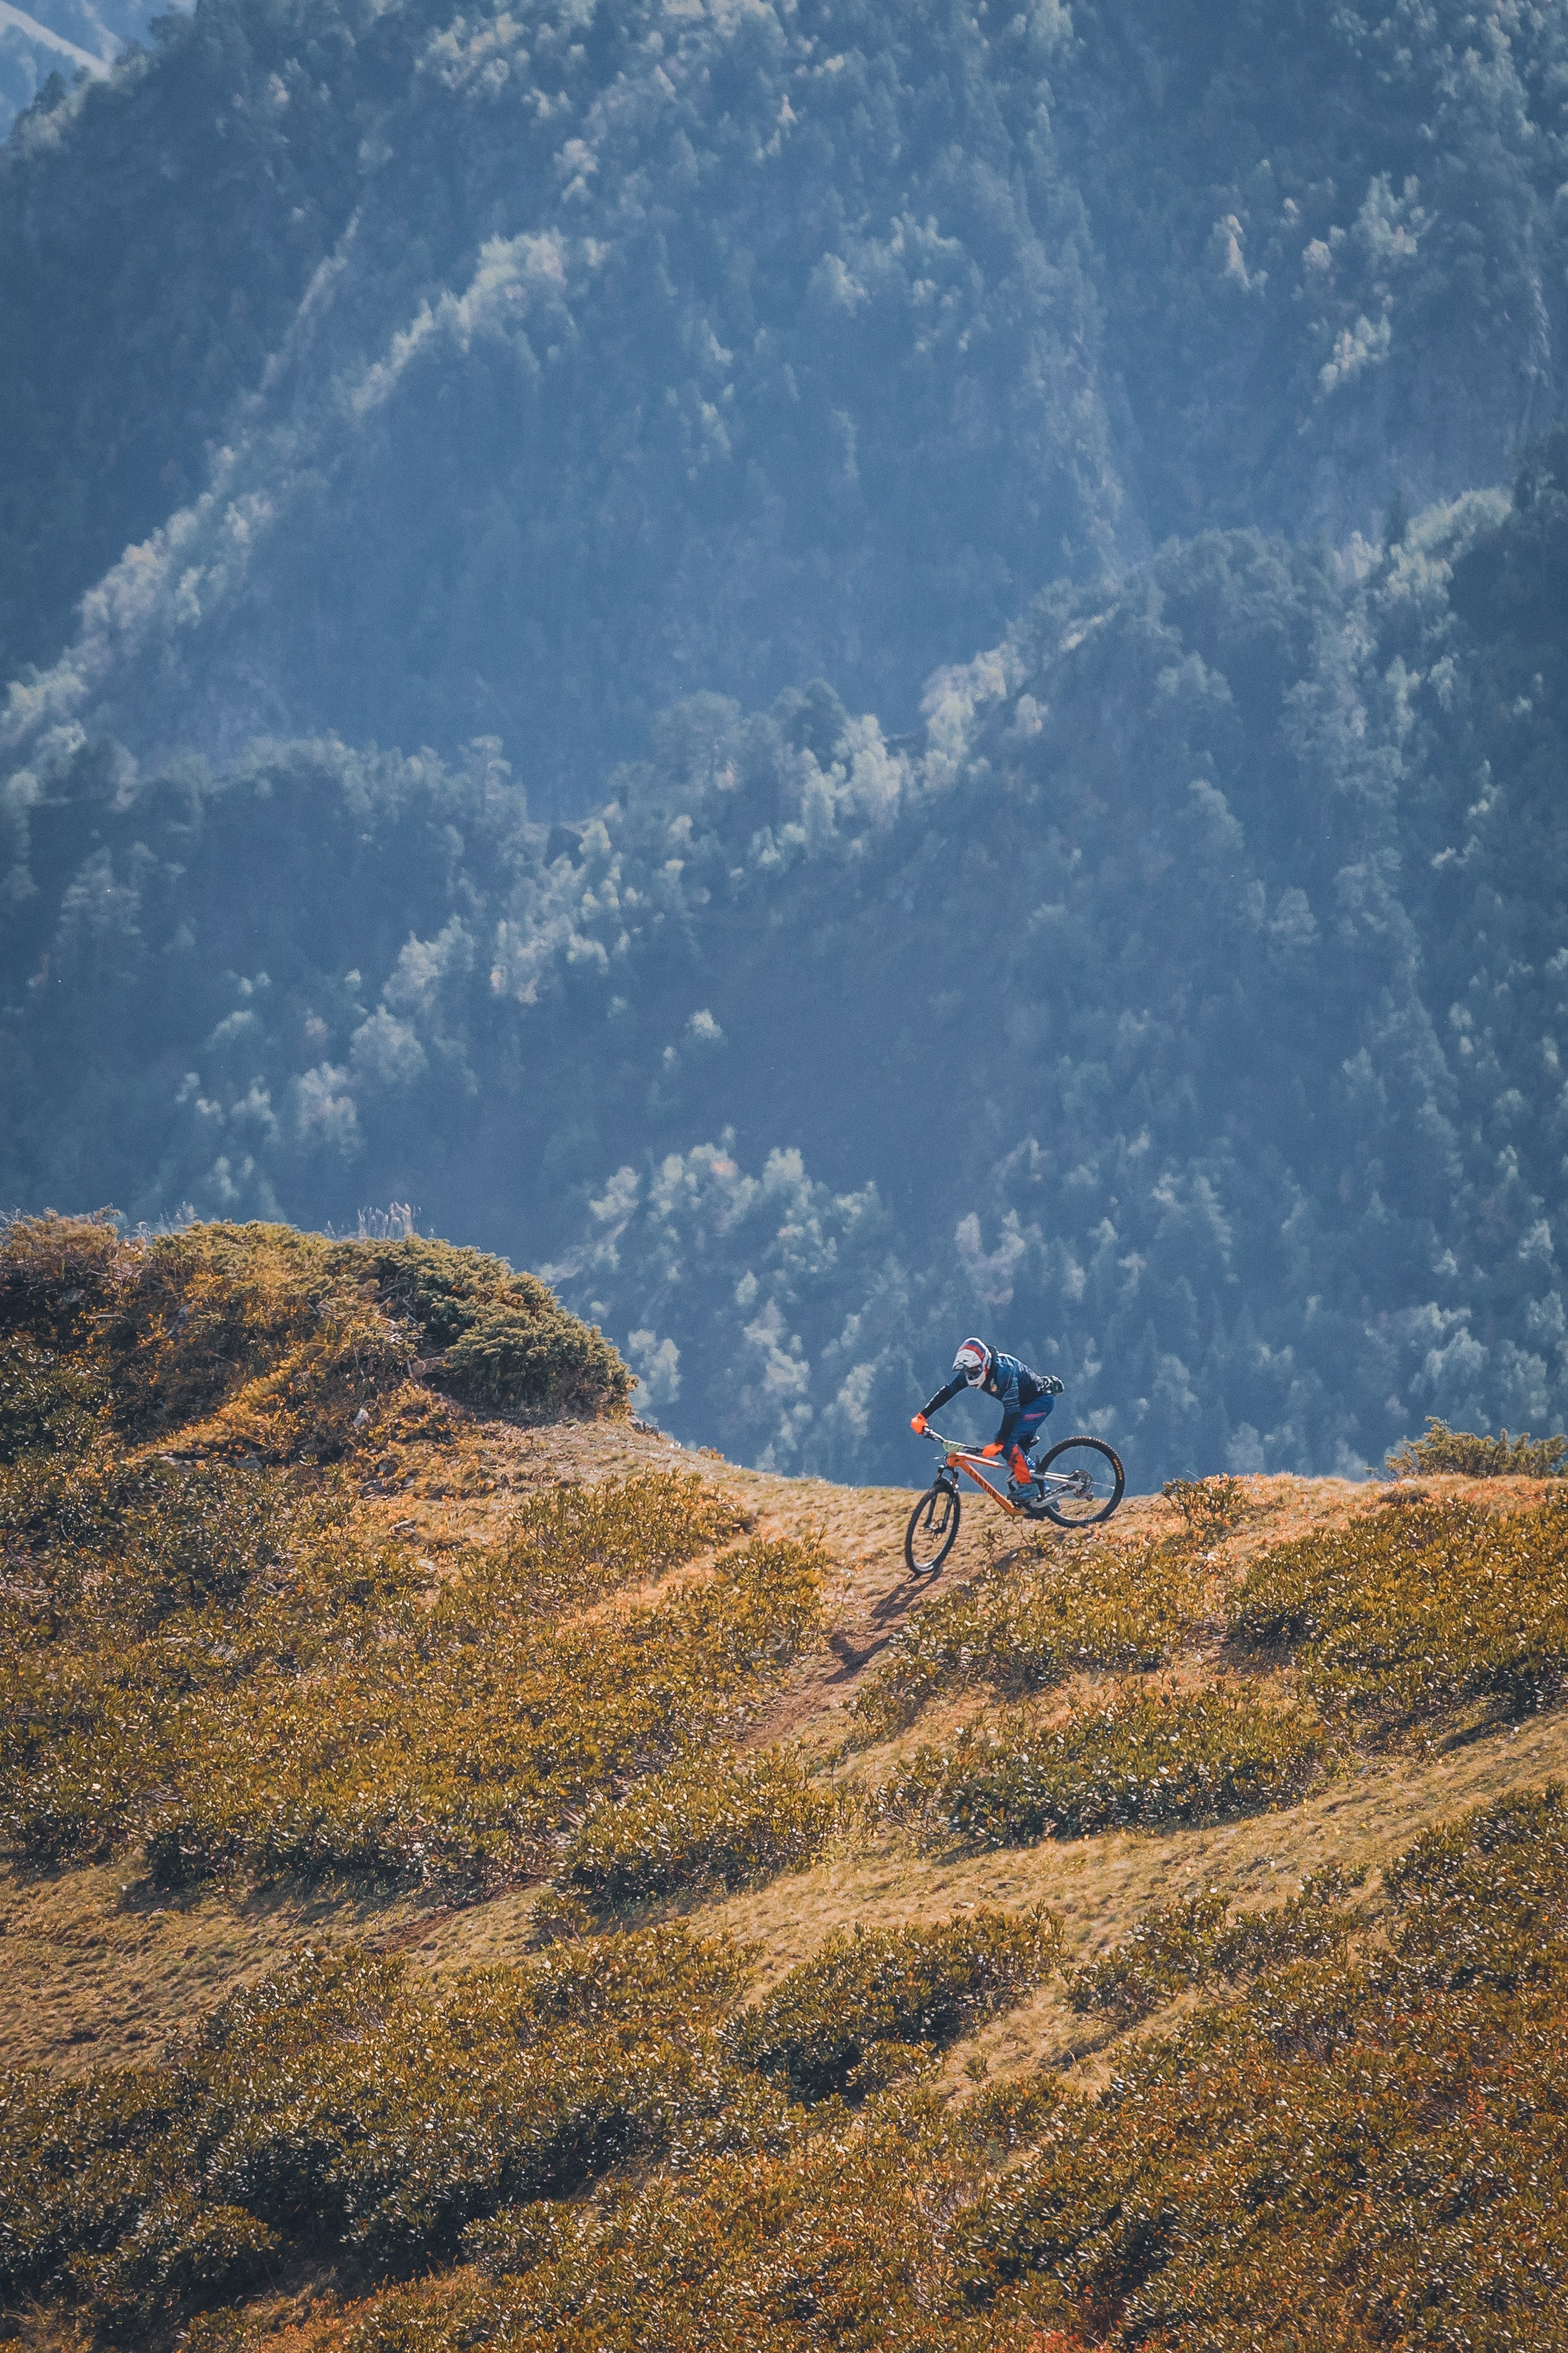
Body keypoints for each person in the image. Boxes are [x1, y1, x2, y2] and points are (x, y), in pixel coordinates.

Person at [911, 1338, 1065, 1499]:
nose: (971, 1374)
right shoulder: (971, 1371)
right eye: (968, 1371)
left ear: (985, 1363)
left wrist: (999, 1443)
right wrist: (923, 1416)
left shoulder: (1004, 1372)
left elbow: (1012, 1412)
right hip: (1024, 1404)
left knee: (1007, 1444)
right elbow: (948, 1391)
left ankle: (1030, 1487)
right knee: (1014, 1451)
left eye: (975, 1370)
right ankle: (1044, 1496)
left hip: (1039, 1402)